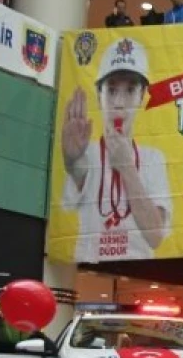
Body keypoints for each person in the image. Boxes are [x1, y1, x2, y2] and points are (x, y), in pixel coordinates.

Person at [60, 37, 173, 262]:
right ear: (98, 95)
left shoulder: (153, 158)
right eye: (111, 91)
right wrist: (71, 162)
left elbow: (155, 236)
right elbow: (80, 170)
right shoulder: (88, 152)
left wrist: (127, 168)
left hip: (141, 271)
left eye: (130, 90)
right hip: (90, 266)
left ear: (142, 96)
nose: (119, 103)